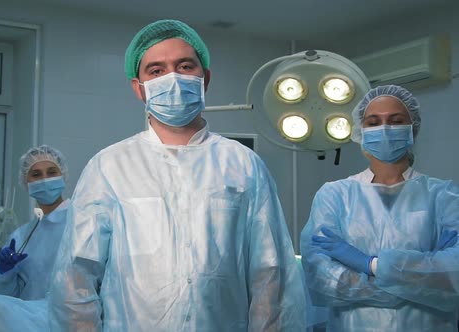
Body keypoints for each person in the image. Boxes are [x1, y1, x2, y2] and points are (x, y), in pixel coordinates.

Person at [48, 19, 305, 331]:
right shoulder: (109, 167)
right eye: (156, 71)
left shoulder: (243, 165)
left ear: (205, 78)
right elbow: (77, 277)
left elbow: (270, 274)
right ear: (138, 87)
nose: (171, 78)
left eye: (184, 66)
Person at [300, 84, 459, 331]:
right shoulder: (335, 195)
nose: (384, 129)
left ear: (412, 128)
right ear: (361, 131)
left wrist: (368, 264)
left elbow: (455, 273)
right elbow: (322, 278)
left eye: (395, 121)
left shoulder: (444, 196)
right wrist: (419, 281)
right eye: (373, 122)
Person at [0, 144, 70, 300]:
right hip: (31, 320)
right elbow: (6, 298)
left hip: (77, 320)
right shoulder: (21, 237)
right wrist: (4, 273)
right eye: (36, 174)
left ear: (63, 175)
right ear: (25, 182)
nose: (45, 179)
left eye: (52, 172)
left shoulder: (82, 222)